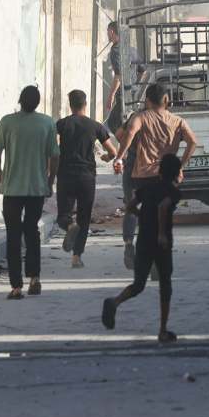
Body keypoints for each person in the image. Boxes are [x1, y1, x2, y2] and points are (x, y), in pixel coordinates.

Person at [113, 82, 197, 270]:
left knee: (135, 209)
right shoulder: (178, 121)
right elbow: (193, 141)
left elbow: (129, 132)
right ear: (166, 100)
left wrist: (119, 157)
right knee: (161, 217)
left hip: (141, 176)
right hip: (165, 179)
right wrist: (179, 166)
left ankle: (130, 243)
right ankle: (156, 262)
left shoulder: (140, 117)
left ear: (147, 100)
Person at [101, 154, 181, 343]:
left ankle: (115, 301)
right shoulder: (173, 191)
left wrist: (143, 217)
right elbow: (163, 207)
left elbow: (129, 206)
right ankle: (163, 330)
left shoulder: (147, 188)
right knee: (165, 284)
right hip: (161, 243)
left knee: (139, 284)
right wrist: (161, 232)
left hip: (144, 240)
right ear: (176, 172)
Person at [0, 86, 59, 299]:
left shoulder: (7, 122)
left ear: (20, 100)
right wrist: (50, 180)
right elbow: (55, 155)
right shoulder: (47, 123)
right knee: (32, 232)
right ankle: (34, 278)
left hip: (12, 188)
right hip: (36, 187)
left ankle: (16, 286)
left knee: (13, 235)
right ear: (38, 103)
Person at [55, 90, 118, 269]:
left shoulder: (62, 124)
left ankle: (69, 226)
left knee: (63, 215)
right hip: (87, 177)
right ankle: (76, 257)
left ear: (70, 104)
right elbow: (112, 151)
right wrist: (106, 158)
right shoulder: (95, 126)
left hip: (66, 174)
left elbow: (52, 148)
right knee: (84, 218)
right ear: (85, 104)